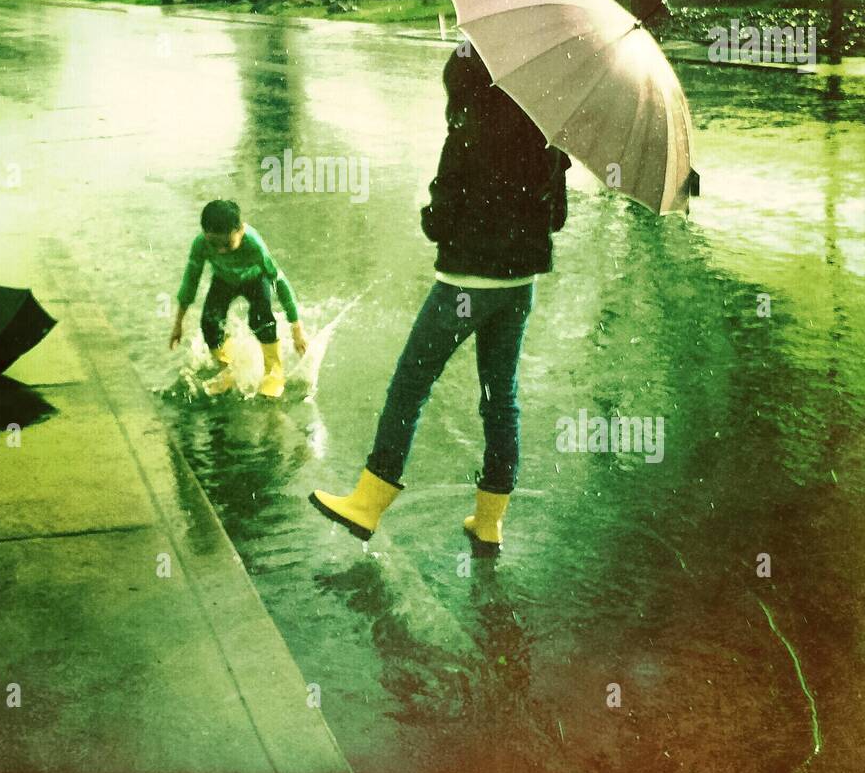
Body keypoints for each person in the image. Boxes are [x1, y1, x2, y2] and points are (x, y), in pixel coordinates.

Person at [310, 42, 569, 554]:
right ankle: (490, 520)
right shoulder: (546, 136)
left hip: (465, 287)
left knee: (411, 383)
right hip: (519, 288)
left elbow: (441, 222)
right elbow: (556, 219)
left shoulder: (466, 136)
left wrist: (429, 211)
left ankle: (368, 501)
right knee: (501, 398)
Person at [170, 199, 307, 398]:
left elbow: (280, 282)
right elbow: (189, 284)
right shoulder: (200, 244)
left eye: (227, 244)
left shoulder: (253, 243)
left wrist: (297, 329)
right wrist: (178, 323)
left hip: (254, 278)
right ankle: (228, 367)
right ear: (204, 234)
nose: (220, 250)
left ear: (240, 230)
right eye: (213, 243)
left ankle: (274, 372)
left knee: (260, 320)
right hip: (224, 280)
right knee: (209, 324)